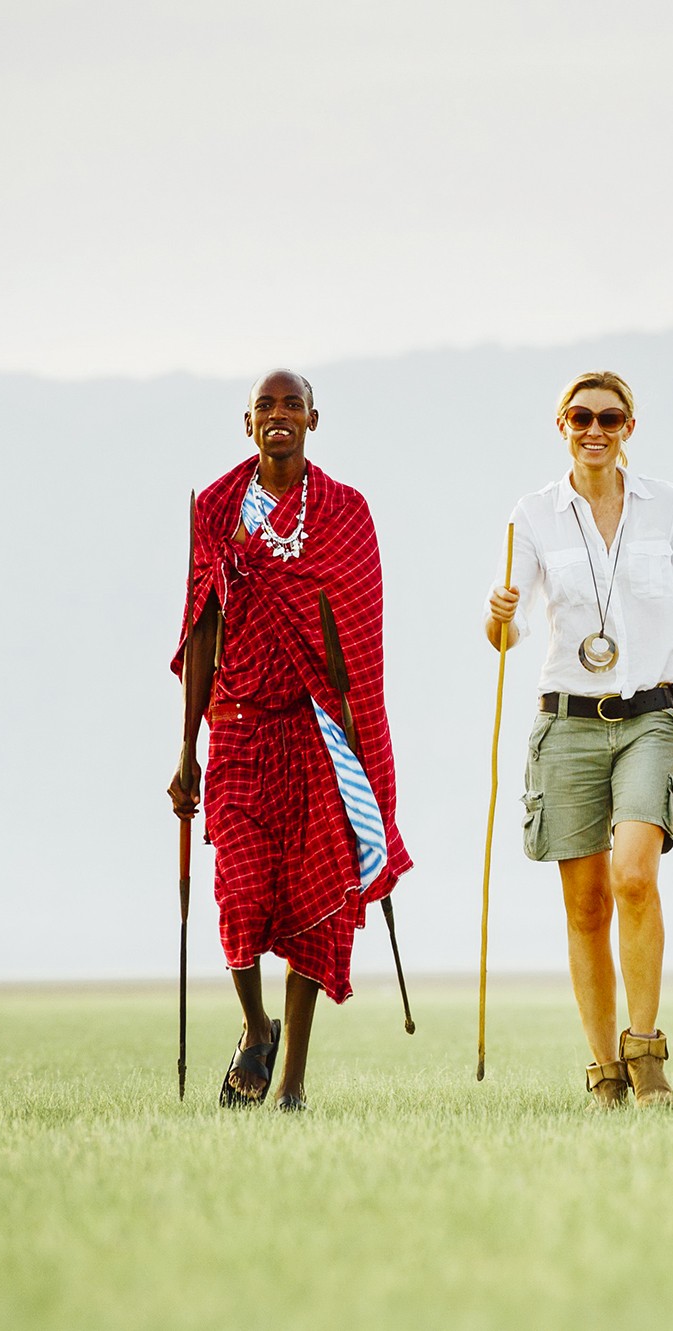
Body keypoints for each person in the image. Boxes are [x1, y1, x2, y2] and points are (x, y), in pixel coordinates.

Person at [484, 370, 673, 1109]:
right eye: (582, 416)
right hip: (566, 722)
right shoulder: (533, 513)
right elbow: (510, 629)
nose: (596, 429)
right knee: (585, 904)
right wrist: (497, 615)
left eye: (611, 417)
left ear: (629, 427)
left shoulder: (666, 506)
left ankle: (646, 1050)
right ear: (561, 424)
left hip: (651, 714)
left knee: (634, 875)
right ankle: (604, 1072)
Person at [169, 369, 411, 1112]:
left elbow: (361, 640)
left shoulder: (344, 511)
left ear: (313, 418)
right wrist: (188, 754)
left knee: (317, 900)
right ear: (248, 424)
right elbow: (200, 625)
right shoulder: (214, 507)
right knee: (239, 897)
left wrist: (357, 736)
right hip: (239, 723)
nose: (279, 416)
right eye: (265, 407)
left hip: (318, 734)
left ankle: (295, 1084)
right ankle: (254, 1025)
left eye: (292, 405)